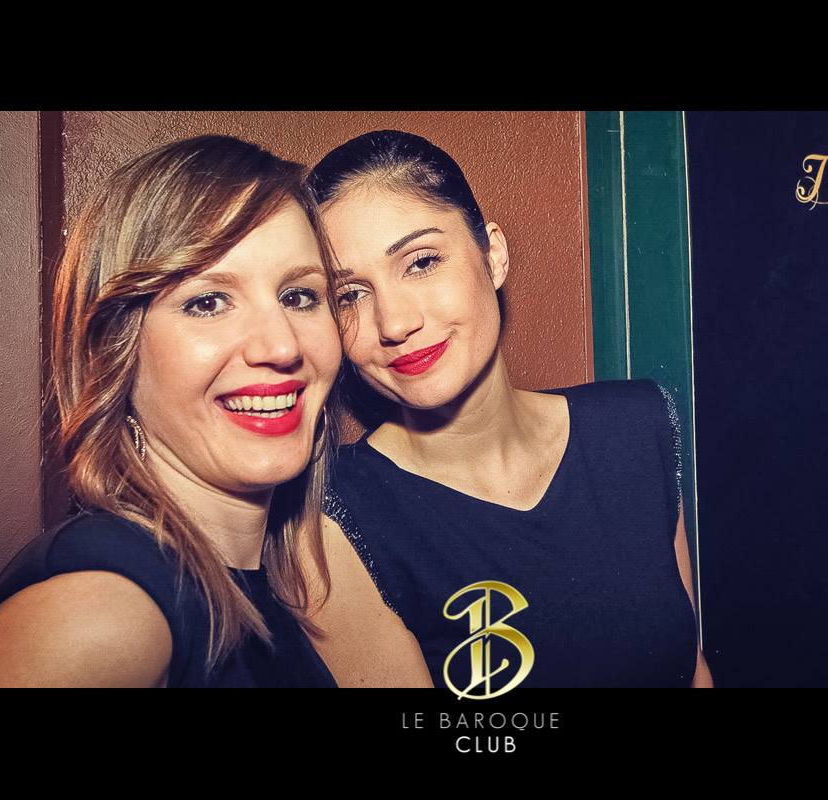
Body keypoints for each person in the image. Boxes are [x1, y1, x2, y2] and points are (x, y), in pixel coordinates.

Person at [0, 135, 343, 687]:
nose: (282, 345)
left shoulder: (245, 582)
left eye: (298, 296)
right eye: (207, 302)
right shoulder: (104, 611)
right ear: (115, 351)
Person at [304, 130, 714, 689]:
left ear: (492, 255)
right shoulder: (332, 518)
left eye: (421, 262)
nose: (394, 322)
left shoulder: (635, 427)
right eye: (350, 294)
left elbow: (690, 670)